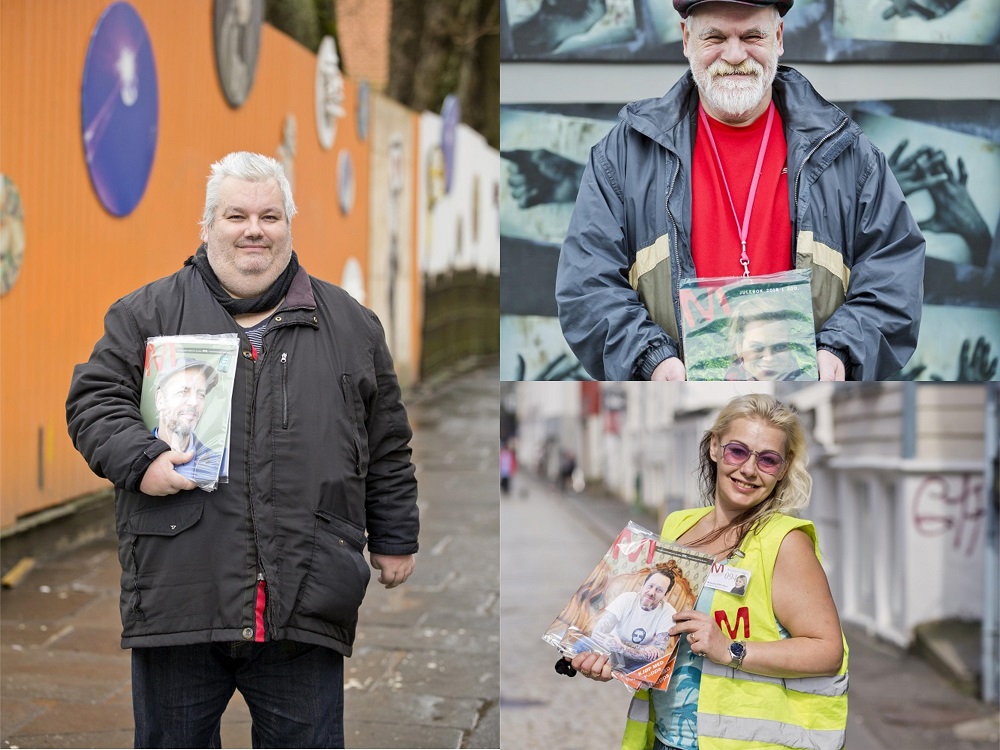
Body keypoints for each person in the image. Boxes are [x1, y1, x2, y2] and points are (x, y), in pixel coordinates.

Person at [66, 151, 419, 749]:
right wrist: (141, 459)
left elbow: (386, 444)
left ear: (288, 226)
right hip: (181, 590)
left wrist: (394, 537)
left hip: (306, 596)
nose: (254, 229)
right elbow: (94, 402)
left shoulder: (353, 326)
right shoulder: (146, 314)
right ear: (207, 228)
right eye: (236, 215)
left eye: (270, 216)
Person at [556, 0, 925, 382]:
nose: (734, 55)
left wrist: (840, 352)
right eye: (715, 37)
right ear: (686, 39)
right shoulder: (624, 153)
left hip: (801, 398)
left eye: (752, 36)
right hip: (683, 397)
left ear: (778, 38)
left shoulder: (849, 154)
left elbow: (894, 276)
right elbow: (586, 286)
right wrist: (651, 360)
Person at [567, 393, 848, 750]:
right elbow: (655, 635)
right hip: (662, 739)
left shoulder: (784, 542)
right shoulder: (678, 526)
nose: (748, 469)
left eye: (768, 459)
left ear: (783, 467)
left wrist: (731, 649)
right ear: (715, 446)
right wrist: (610, 656)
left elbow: (827, 650)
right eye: (737, 451)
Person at [151, 357, 223, 488]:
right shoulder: (138, 457)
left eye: (201, 394)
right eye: (183, 392)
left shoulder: (216, 464)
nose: (194, 402)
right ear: (160, 400)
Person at [590, 569, 678, 671]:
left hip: (637, 662)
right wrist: (642, 648)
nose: (651, 592)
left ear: (665, 595)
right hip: (609, 652)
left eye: (659, 590)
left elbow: (655, 656)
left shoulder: (668, 612)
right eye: (650, 586)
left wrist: (619, 646)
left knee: (655, 670)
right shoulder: (626, 599)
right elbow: (597, 633)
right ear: (643, 585)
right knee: (581, 644)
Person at [725, 296, 809, 381]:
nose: (769, 358)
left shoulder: (808, 381)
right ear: (739, 348)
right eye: (757, 348)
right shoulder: (727, 386)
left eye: (779, 347)